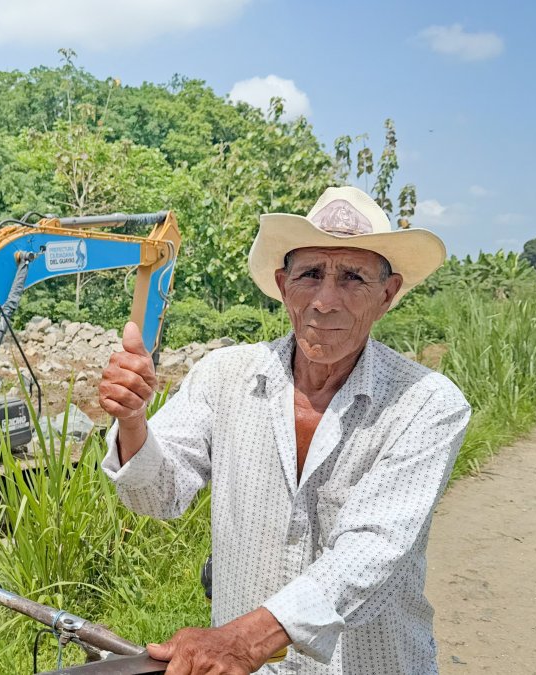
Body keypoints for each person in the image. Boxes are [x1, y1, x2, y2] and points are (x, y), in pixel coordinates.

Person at [98, 185, 471, 674]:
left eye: (353, 277)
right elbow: (156, 497)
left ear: (388, 294)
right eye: (310, 274)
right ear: (282, 283)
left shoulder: (426, 403)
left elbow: (373, 547)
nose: (325, 300)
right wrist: (132, 420)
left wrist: (246, 638)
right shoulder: (223, 375)